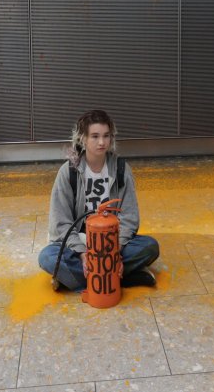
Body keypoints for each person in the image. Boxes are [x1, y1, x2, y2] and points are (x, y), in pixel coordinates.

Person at [38, 109, 160, 291]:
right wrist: (82, 253)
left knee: (150, 247)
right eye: (94, 136)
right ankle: (122, 278)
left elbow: (130, 218)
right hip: (79, 241)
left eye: (106, 136)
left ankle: (78, 280)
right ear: (83, 139)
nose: (102, 142)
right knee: (47, 257)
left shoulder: (121, 169)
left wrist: (115, 251)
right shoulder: (68, 171)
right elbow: (61, 222)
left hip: (111, 239)